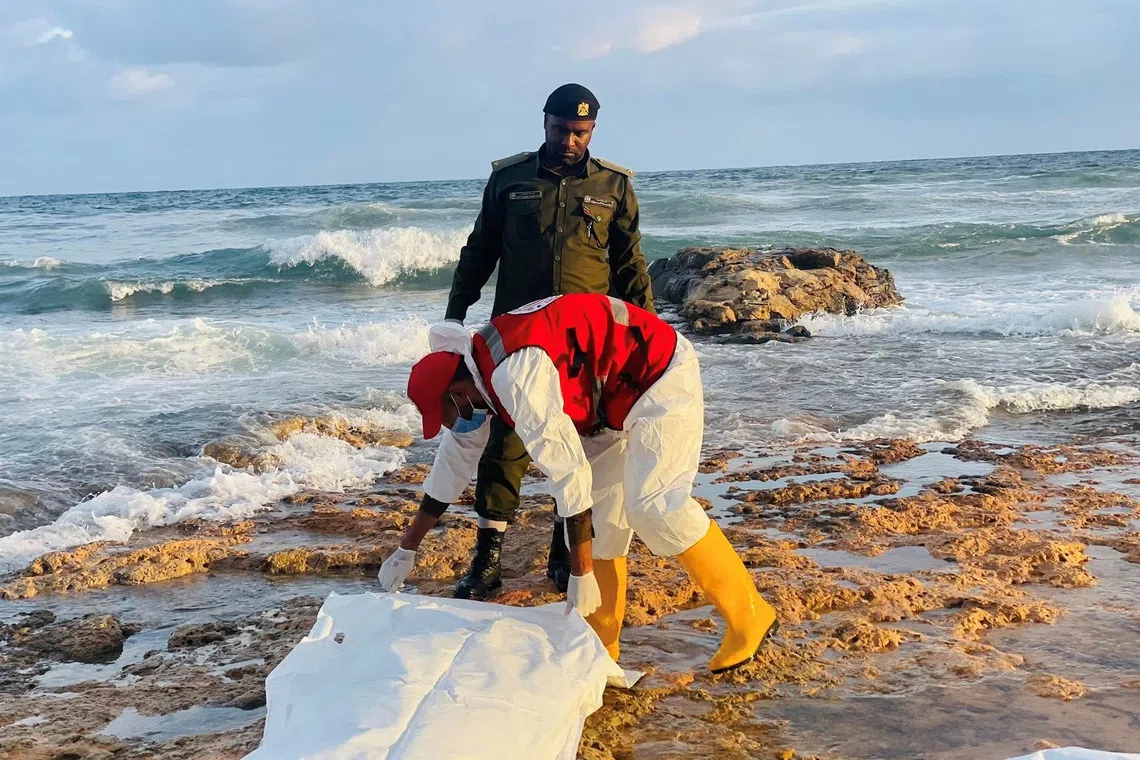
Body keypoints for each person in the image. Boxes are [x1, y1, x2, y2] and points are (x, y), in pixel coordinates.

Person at [377, 293, 779, 673]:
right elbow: (453, 465)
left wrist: (580, 574)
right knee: (600, 523)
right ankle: (603, 642)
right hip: (602, 403)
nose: (450, 427)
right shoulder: (476, 374)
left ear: (459, 394)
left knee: (656, 507)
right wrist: (406, 549)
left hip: (657, 373)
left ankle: (749, 614)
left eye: (445, 417)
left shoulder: (515, 376)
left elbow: (568, 473)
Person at [442, 83, 656, 600]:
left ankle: (566, 550)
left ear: (593, 131)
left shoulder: (614, 185)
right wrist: (452, 325)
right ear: (545, 123)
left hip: (586, 345)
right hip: (515, 338)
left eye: (580, 133)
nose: (569, 141)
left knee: (581, 443)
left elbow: (628, 265)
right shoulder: (509, 180)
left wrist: (648, 338)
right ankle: (487, 557)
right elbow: (478, 254)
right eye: (562, 130)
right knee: (506, 443)